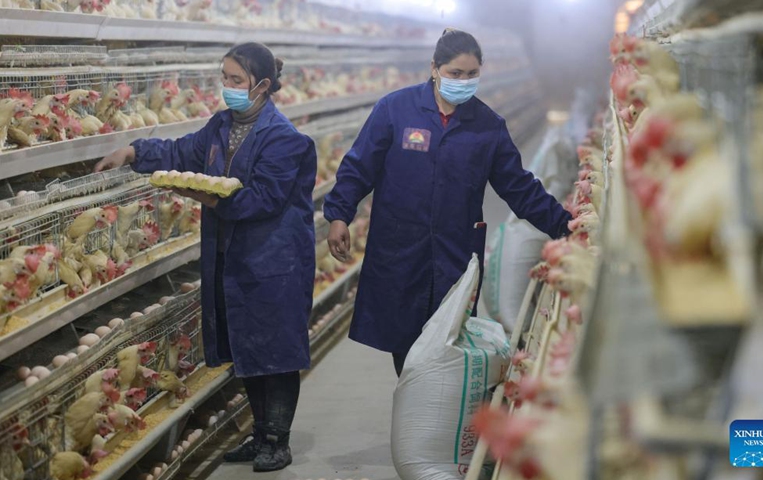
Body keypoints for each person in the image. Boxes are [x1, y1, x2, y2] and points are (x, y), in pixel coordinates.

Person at [95, 42, 316, 472]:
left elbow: (263, 201)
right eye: (225, 78)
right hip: (233, 258)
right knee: (247, 347)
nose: (227, 87)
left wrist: (204, 196)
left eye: (236, 80)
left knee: (277, 353)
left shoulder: (285, 139)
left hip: (274, 262)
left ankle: (278, 440)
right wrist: (135, 153)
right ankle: (260, 435)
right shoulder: (220, 126)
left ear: (263, 86)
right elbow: (183, 152)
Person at [324, 29, 572, 377]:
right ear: (435, 68)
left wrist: (565, 225)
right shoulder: (396, 109)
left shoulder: (488, 126)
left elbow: (518, 187)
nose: (463, 81)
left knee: (448, 346)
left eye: (472, 74)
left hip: (454, 252)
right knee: (406, 349)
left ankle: (432, 418)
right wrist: (338, 215)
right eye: (455, 73)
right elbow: (359, 166)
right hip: (399, 250)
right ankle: (415, 413)